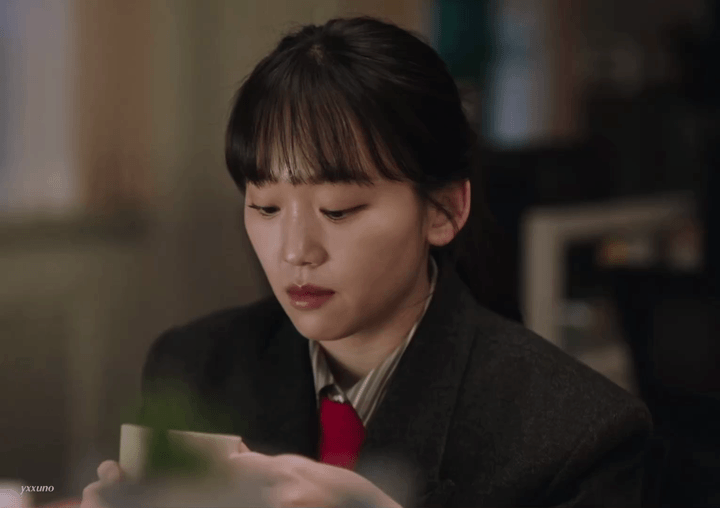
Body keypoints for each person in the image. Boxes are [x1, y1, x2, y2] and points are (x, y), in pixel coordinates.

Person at [80, 16, 652, 508]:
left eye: (339, 209)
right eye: (266, 207)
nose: (294, 251)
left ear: (444, 210)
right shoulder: (195, 366)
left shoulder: (577, 436)